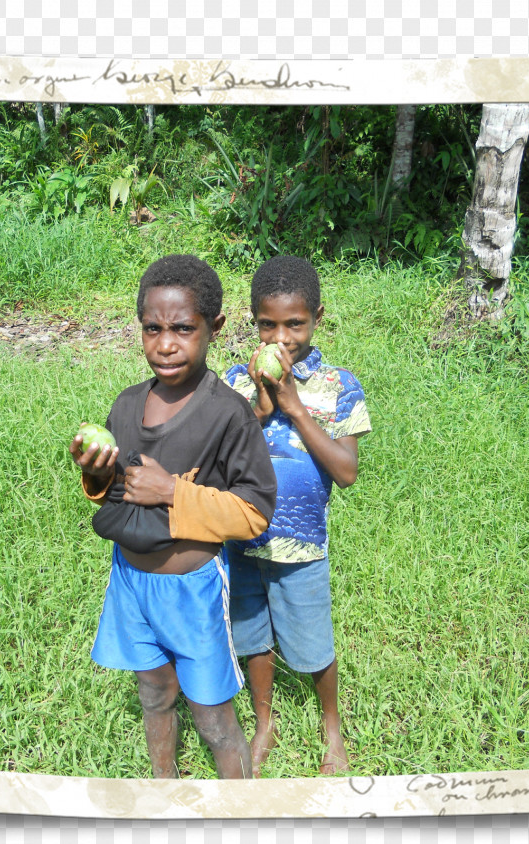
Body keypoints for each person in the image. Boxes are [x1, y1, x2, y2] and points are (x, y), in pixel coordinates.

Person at [69, 254, 276, 780]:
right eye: (153, 329)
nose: (166, 344)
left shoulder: (228, 414)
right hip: (130, 585)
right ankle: (164, 792)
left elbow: (254, 513)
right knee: (155, 695)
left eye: (183, 328)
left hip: (191, 592)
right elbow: (119, 492)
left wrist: (172, 492)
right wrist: (96, 476)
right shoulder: (126, 404)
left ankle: (242, 812)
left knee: (213, 720)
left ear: (215, 328)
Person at [224, 255, 372, 777]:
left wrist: (294, 407)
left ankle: (331, 726)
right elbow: (221, 455)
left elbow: (346, 470)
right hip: (241, 540)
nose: (282, 336)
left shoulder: (338, 384)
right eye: (268, 324)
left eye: (295, 324)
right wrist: (258, 410)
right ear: (253, 321)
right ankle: (265, 723)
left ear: (317, 318)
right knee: (254, 638)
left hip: (303, 545)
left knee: (313, 644)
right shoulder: (236, 382)